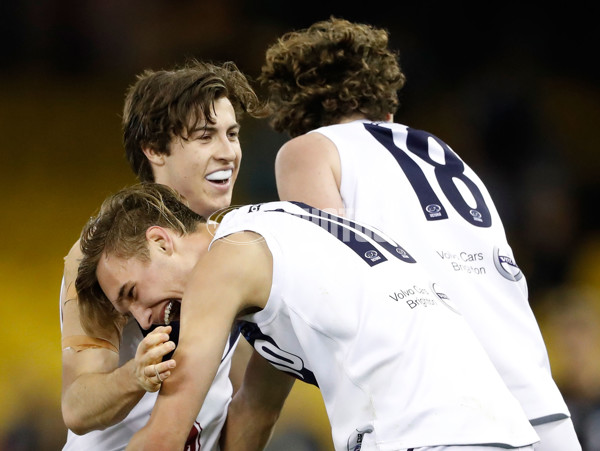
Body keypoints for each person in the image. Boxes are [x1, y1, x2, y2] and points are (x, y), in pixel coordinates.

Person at [257, 17, 581, 450]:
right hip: (538, 400)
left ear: (297, 113)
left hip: (439, 413)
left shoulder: (309, 149)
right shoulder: (445, 154)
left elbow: (325, 285)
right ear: (387, 107)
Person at [75, 182, 540, 451]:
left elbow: (164, 436)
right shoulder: (277, 233)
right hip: (497, 428)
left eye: (133, 293)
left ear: (161, 241)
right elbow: (256, 407)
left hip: (423, 435)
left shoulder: (225, 264)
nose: (144, 319)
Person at [60, 59, 268, 450]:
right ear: (155, 149)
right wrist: (133, 376)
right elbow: (76, 406)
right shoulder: (108, 257)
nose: (228, 153)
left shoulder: (240, 246)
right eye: (206, 137)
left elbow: (240, 394)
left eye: (233, 134)